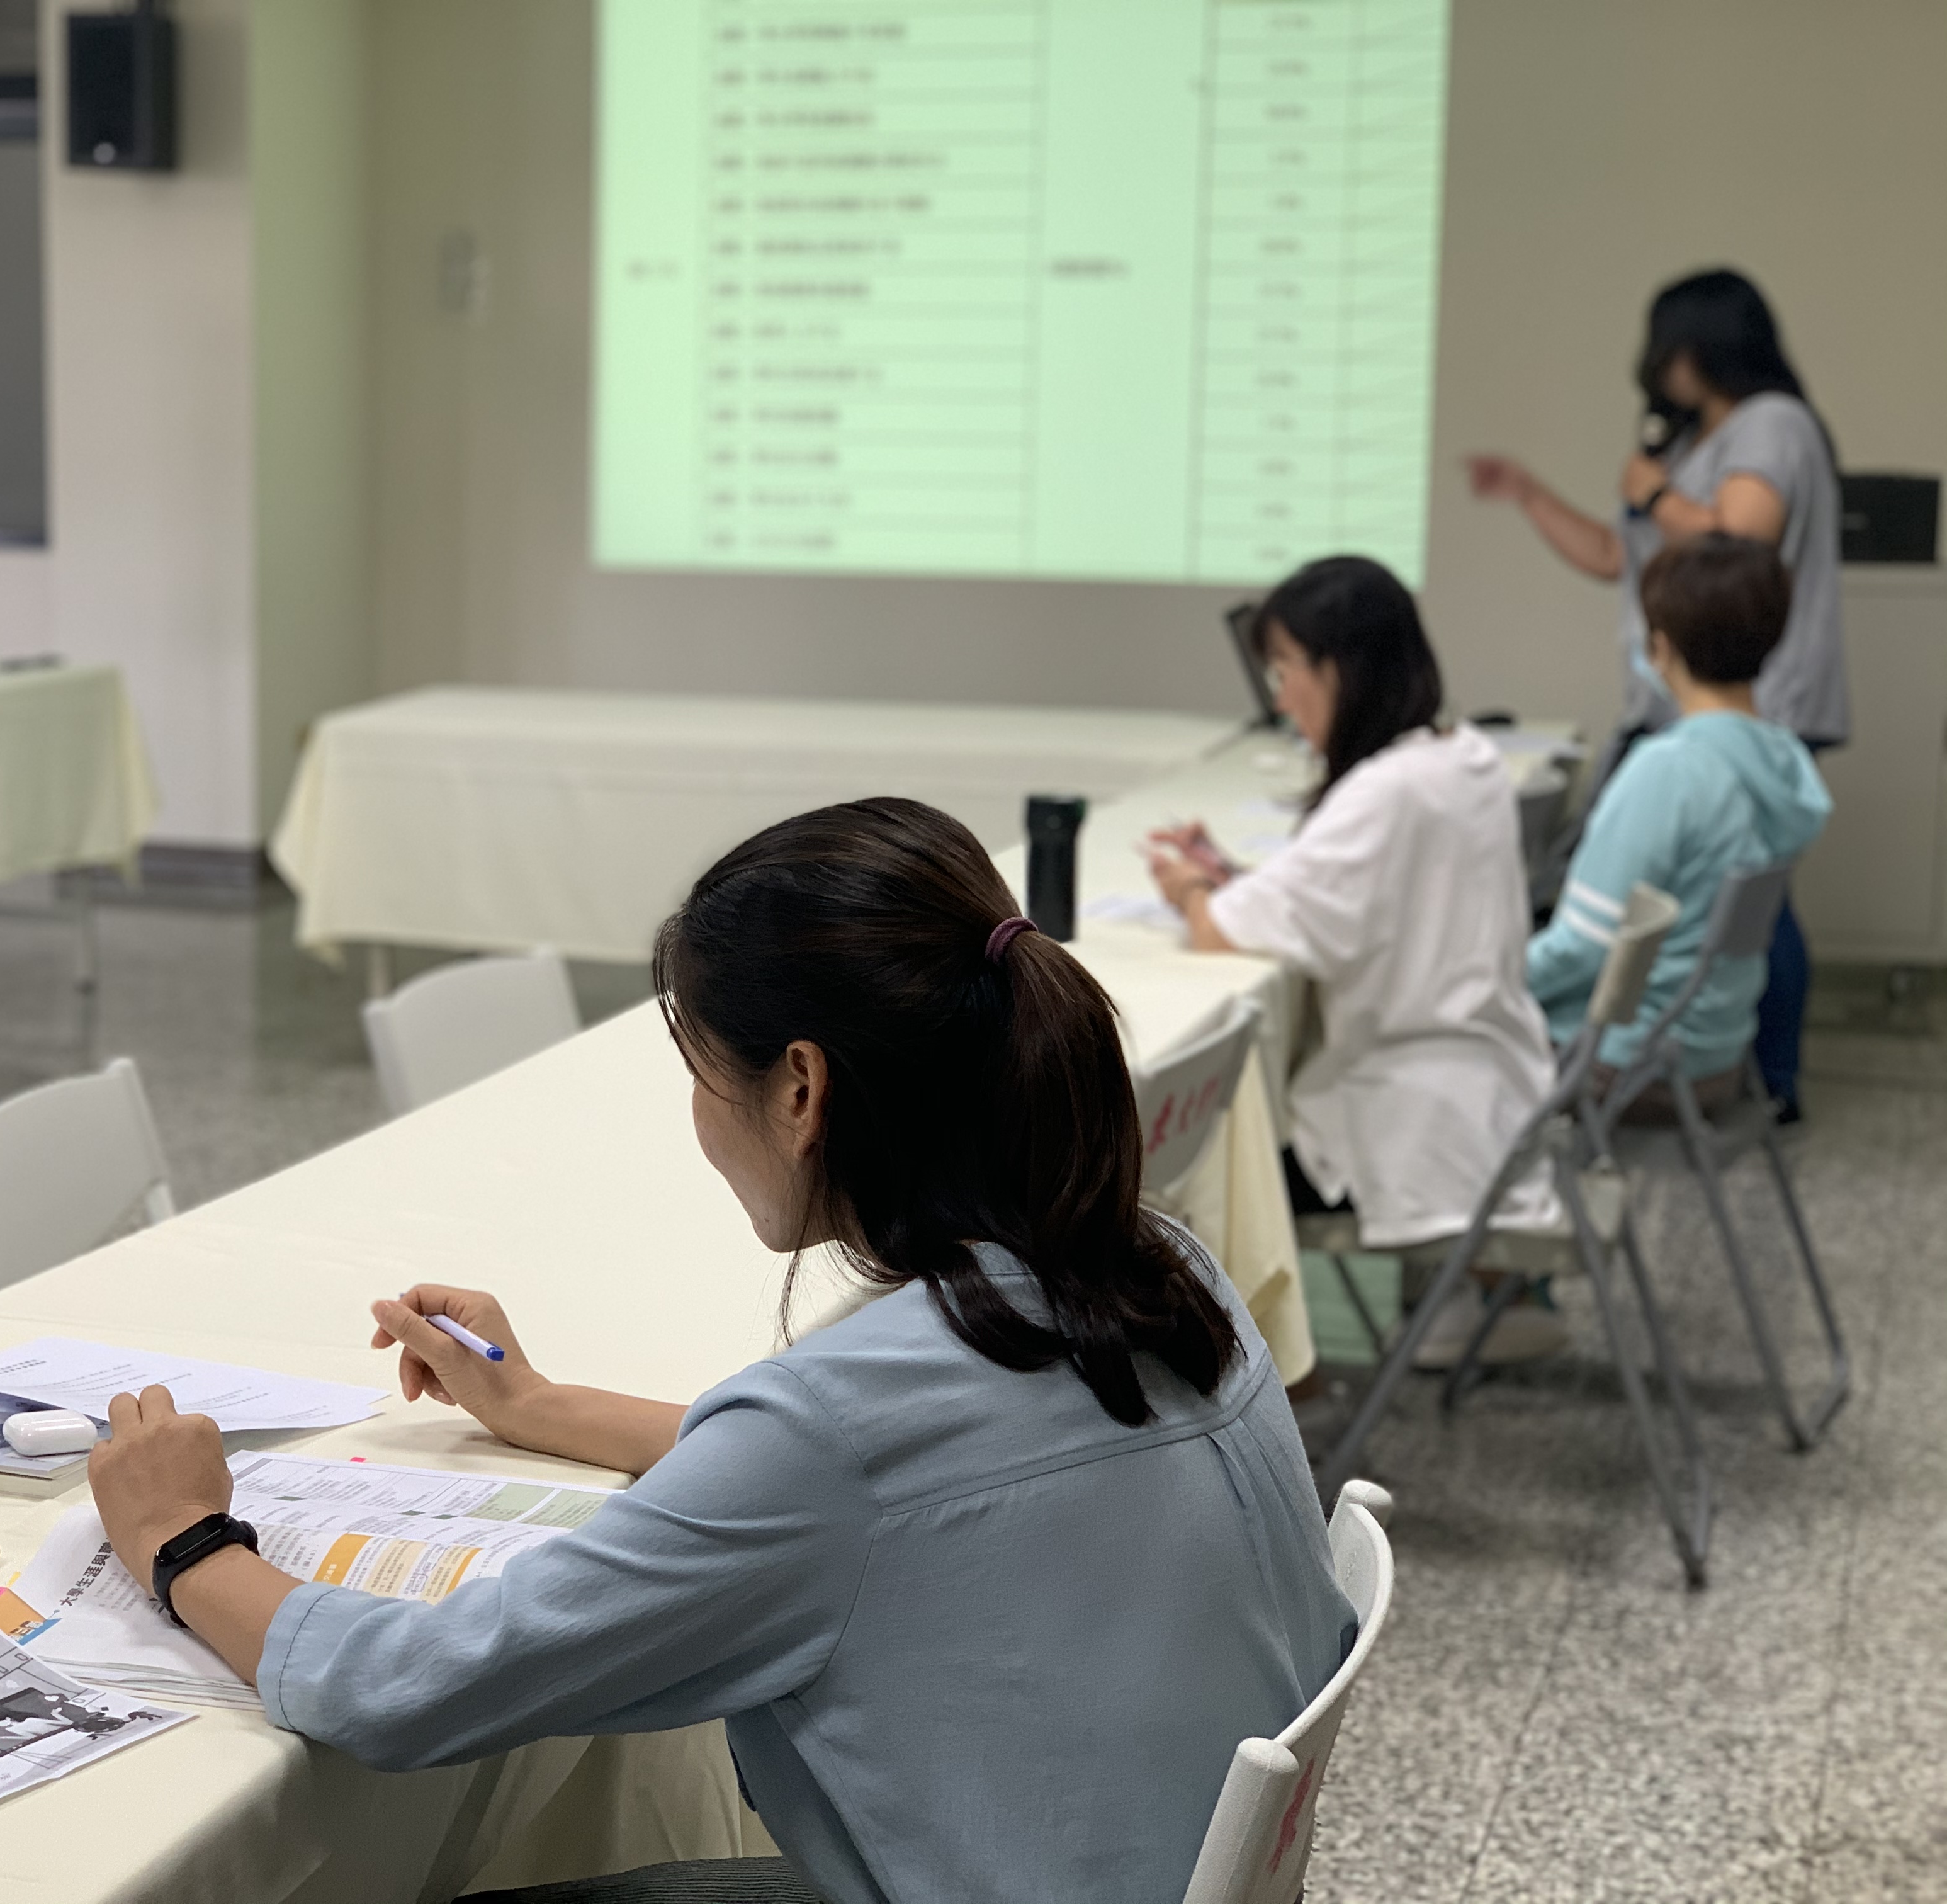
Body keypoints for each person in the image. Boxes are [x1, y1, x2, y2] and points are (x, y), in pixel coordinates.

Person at [88, 798, 1355, 1904]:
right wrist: (543, 1403)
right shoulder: (1158, 1270)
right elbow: (893, 1486)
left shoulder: (834, 1436)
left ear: (800, 1089)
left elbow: (401, 1689)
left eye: (700, 1070)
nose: (699, 1116)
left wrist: (180, 1535)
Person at [1145, 556, 1564, 1366]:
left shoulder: (1386, 791)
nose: (1280, 698)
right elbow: (1363, 896)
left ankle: (1267, 1377)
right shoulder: (1463, 756)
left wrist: (1192, 888)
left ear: (1339, 669)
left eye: (1286, 671)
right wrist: (1231, 875)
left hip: (1414, 1120)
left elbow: (1219, 930)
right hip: (1484, 1092)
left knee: (1196, 1169)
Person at [1467, 267, 1844, 1116]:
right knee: (1731, 905)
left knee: (1755, 909)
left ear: (1704, 347)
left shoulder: (1770, 424)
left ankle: (1768, 1075)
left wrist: (1656, 493)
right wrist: (1529, 495)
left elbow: (1737, 543)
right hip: (1701, 716)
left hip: (1745, 708)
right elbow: (1620, 556)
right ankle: (1741, 1071)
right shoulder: (1693, 442)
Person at [1530, 535, 1830, 1104]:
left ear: (1661, 647)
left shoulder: (1669, 772)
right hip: (1715, 1050)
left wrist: (1486, 983)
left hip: (1631, 1063)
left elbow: (1582, 949)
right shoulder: (1782, 762)